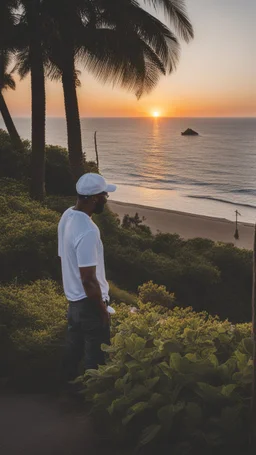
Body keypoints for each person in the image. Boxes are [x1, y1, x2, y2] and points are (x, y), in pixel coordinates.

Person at [58, 173, 117, 384]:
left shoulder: (67, 216)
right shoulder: (88, 230)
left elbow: (63, 256)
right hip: (89, 303)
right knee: (96, 359)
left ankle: (65, 391)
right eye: (104, 195)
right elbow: (89, 279)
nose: (106, 199)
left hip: (74, 302)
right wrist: (102, 309)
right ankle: (92, 403)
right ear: (93, 198)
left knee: (72, 352)